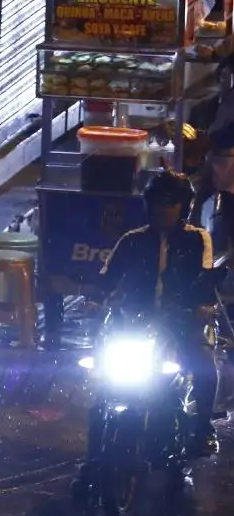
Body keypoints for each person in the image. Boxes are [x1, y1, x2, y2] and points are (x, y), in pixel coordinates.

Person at [99, 169, 221, 454]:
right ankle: (98, 442)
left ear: (184, 207)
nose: (163, 210)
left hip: (182, 320)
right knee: (103, 372)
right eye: (158, 203)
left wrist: (201, 308)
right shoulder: (131, 240)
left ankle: (202, 427)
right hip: (135, 322)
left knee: (204, 363)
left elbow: (205, 278)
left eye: (171, 203)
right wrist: (95, 298)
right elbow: (107, 276)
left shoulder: (198, 239)